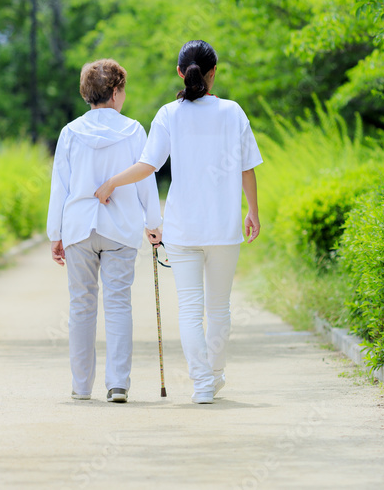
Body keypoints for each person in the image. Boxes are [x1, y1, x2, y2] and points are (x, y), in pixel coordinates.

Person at [94, 40, 263, 404]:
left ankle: (203, 383)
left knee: (190, 308)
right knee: (219, 307)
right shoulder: (233, 112)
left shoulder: (169, 114)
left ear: (179, 73)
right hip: (223, 226)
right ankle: (213, 376)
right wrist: (253, 211)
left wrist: (111, 182)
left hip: (183, 227)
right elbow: (247, 166)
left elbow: (147, 166)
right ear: (213, 73)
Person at [47, 59, 163, 404]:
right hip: (121, 227)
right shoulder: (133, 130)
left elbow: (60, 187)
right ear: (115, 92)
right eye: (123, 89)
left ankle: (82, 385)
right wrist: (153, 224)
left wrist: (57, 234)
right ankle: (118, 384)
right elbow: (146, 180)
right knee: (117, 304)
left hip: (79, 226)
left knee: (81, 306)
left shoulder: (70, 133)